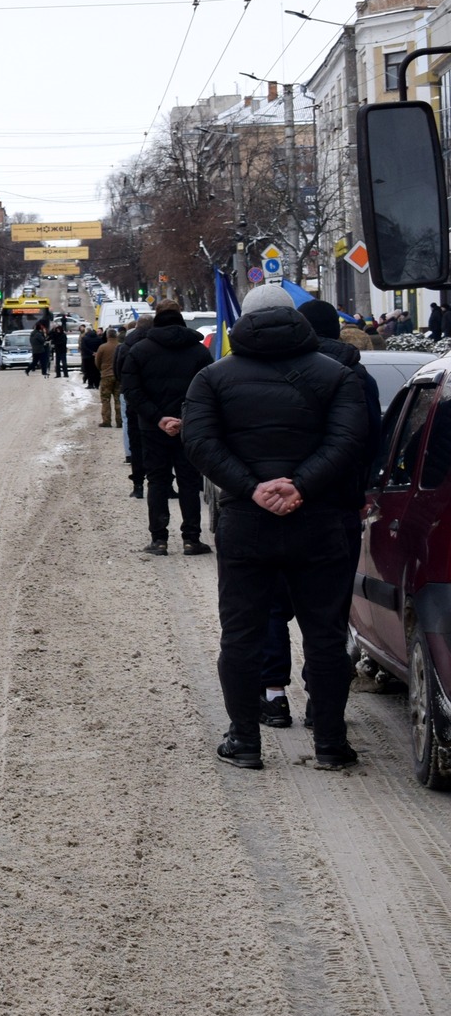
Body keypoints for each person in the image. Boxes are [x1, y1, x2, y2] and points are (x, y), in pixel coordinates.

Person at [182, 293, 372, 771]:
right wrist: (300, 485)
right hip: (320, 520)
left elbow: (199, 441)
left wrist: (252, 488)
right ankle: (330, 743)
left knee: (241, 635)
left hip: (247, 522)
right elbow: (349, 440)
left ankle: (244, 741)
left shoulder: (212, 377)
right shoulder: (337, 375)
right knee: (325, 635)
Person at [260, 298, 383, 729]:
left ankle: (273, 696)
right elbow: (370, 441)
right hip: (336, 508)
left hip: (275, 506)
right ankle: (321, 705)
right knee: (327, 612)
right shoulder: (358, 376)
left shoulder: (276, 370)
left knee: (272, 606)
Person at [122, 303, 213, 555]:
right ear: (181, 320)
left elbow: (131, 391)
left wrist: (159, 418)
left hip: (152, 429)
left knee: (157, 481)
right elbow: (208, 390)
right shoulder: (199, 351)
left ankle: (159, 540)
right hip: (189, 428)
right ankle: (191, 539)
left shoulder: (139, 351)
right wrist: (184, 419)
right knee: (189, 481)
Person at [94, 328, 122, 428]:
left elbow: (97, 361)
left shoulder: (102, 347)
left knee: (105, 399)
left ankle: (106, 421)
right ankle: (120, 421)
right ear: (116, 335)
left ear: (107, 336)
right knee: (118, 399)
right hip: (118, 376)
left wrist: (102, 369)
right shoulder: (121, 346)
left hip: (106, 375)